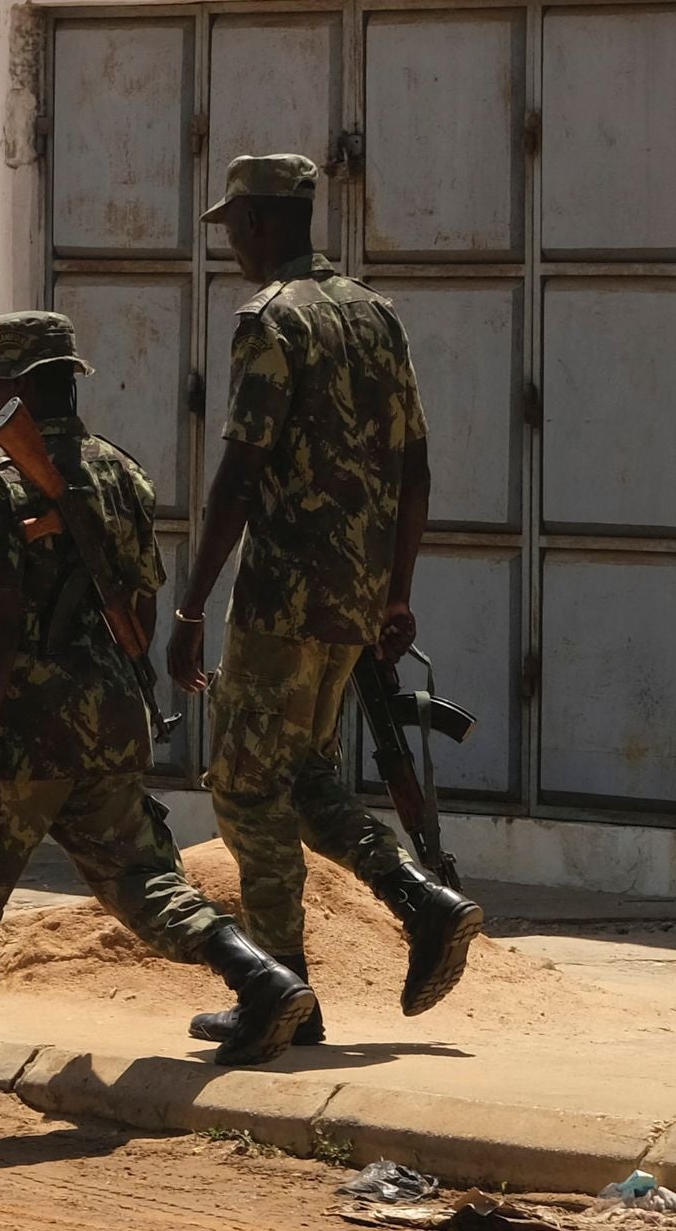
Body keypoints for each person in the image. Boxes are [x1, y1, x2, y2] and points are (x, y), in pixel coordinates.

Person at [0, 313, 314, 1126]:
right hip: (111, 717)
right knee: (142, 878)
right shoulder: (122, 475)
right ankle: (262, 977)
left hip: (26, 727)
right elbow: (140, 605)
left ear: (18, 388)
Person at [167, 154, 484, 1046]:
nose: (230, 241)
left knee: (239, 787)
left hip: (282, 601)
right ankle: (420, 902)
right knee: (299, 778)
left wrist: (190, 609)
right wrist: (397, 593)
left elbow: (239, 473)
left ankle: (279, 991)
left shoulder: (272, 321)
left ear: (262, 224)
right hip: (352, 602)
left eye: (233, 224)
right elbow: (415, 466)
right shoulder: (376, 317)